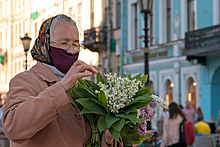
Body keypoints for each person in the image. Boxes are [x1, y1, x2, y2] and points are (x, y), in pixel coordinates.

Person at [1, 14, 115, 147]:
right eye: (64, 43)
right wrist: (62, 87)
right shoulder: (25, 80)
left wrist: (108, 139)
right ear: (46, 45)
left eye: (76, 44)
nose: (72, 51)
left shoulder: (83, 87)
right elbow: (13, 127)